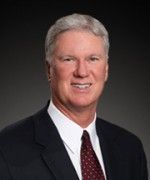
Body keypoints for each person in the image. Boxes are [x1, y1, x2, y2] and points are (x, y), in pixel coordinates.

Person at [0, 13, 148, 180]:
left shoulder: (130, 149)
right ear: (49, 70)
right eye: (69, 59)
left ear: (105, 70)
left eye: (92, 59)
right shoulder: (7, 148)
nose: (82, 72)